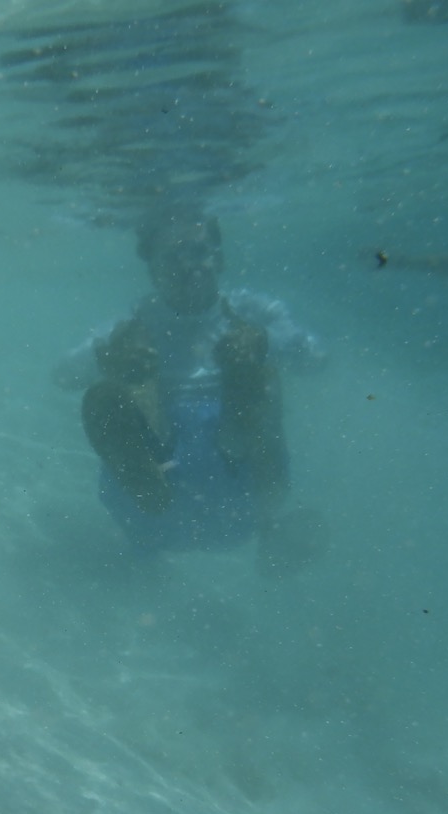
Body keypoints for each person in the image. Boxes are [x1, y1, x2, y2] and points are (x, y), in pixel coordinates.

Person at [64, 205, 327, 574]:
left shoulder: (252, 312)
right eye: (173, 256)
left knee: (254, 374)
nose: (189, 266)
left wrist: (264, 341)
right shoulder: (134, 322)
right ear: (152, 267)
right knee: (129, 374)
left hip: (240, 484)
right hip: (164, 487)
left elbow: (317, 359)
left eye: (199, 251)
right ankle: (147, 473)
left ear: (219, 259)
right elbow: (63, 374)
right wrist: (111, 357)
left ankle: (164, 491)